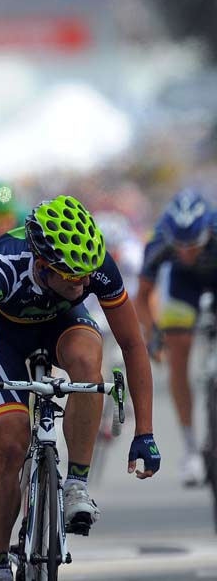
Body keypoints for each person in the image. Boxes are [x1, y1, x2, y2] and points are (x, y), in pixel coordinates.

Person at [0, 195, 159, 581]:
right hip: (5, 339)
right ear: (42, 265)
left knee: (87, 363)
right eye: (73, 277)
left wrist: (146, 432)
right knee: (11, 440)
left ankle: (76, 485)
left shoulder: (94, 266)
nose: (84, 283)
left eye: (87, 275)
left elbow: (133, 345)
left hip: (62, 324)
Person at [134, 188, 217, 486]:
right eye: (180, 247)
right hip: (184, 288)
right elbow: (142, 298)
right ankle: (191, 449)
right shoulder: (159, 241)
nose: (186, 253)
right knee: (178, 349)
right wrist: (153, 334)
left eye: (193, 246)